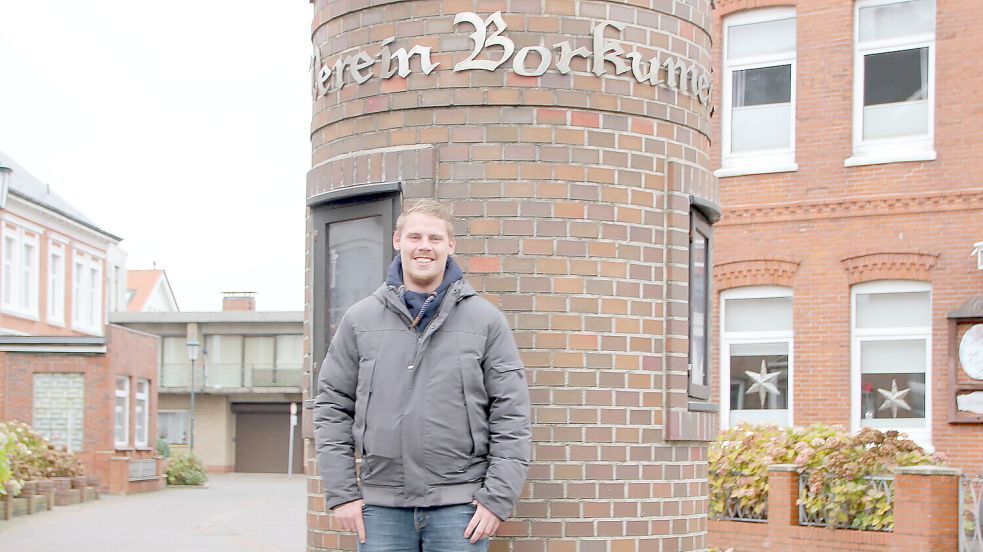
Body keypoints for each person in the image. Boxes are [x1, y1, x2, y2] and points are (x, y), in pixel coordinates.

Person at [314, 199, 531, 551]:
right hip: (381, 509)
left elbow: (512, 415)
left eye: (434, 237)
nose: (424, 246)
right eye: (415, 236)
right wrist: (342, 495)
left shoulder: (486, 321)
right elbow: (331, 409)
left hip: (460, 508)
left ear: (450, 245)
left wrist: (497, 499)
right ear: (398, 241)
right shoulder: (360, 320)